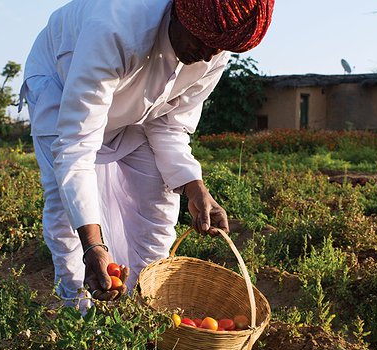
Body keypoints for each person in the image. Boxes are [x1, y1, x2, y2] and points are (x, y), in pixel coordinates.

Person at [20, 0, 274, 307]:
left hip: (139, 112)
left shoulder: (212, 55)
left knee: (160, 198)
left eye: (219, 48)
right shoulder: (116, 29)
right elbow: (76, 147)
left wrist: (196, 188)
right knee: (64, 205)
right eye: (202, 41)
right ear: (182, 13)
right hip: (60, 87)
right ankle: (77, 309)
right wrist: (93, 246)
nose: (207, 54)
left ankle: (144, 305)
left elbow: (171, 127)